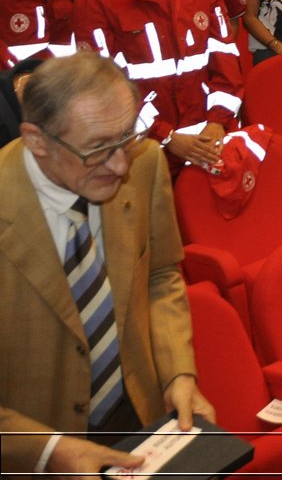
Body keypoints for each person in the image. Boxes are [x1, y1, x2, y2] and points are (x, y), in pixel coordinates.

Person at [0, 53, 218, 478]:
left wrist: (178, 372)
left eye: (126, 137)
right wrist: (46, 451)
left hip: (140, 415)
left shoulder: (145, 161)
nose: (120, 165)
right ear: (36, 140)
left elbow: (160, 276)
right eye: (98, 149)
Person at [70, 0, 244, 169]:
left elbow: (226, 59)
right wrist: (167, 137)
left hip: (212, 141)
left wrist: (217, 123)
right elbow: (105, 88)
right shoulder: (95, 2)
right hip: (145, 151)